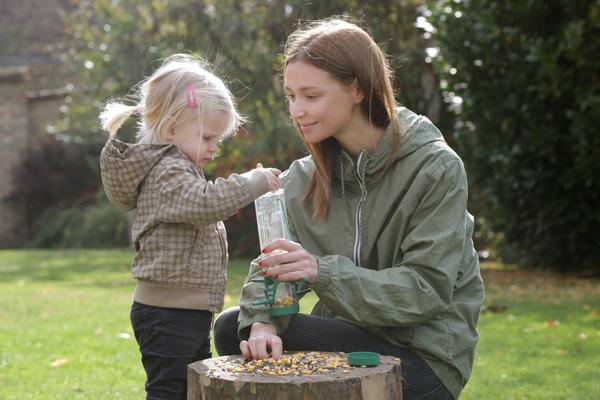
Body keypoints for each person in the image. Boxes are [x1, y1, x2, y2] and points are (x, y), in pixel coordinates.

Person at [213, 18, 484, 399]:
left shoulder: (434, 168)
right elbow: (272, 267)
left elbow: (426, 289)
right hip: (349, 338)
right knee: (233, 328)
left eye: (311, 95)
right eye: (291, 96)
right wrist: (262, 323)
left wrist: (322, 272)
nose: (297, 111)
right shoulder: (303, 179)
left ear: (356, 88)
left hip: (421, 355)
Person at [98, 54, 280, 400]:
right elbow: (205, 203)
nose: (214, 148)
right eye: (208, 137)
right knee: (172, 390)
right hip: (167, 313)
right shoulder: (168, 171)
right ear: (170, 129)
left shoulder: (178, 168)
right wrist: (252, 182)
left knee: (194, 387)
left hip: (185, 309)